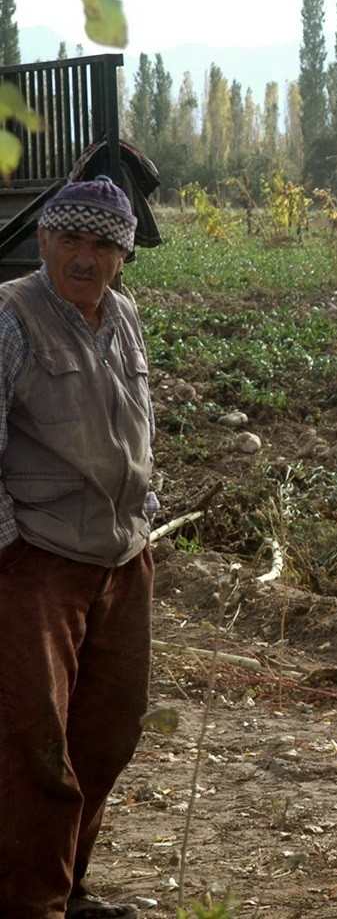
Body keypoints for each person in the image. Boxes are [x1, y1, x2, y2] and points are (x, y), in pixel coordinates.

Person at [0, 177, 159, 919]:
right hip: (38, 560)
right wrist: (10, 553)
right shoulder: (12, 316)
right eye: (72, 240)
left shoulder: (123, 317)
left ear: (125, 255)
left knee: (108, 734)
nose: (86, 258)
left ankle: (67, 884)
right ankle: (32, 901)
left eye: (104, 245)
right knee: (35, 744)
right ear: (44, 241)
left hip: (123, 558)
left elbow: (140, 428)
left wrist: (146, 516)